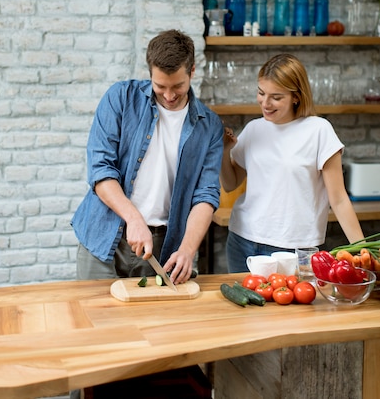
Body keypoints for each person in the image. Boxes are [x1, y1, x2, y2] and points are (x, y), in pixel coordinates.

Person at [71, 29, 223, 285]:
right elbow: (100, 170)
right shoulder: (120, 98)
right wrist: (133, 218)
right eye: (160, 86)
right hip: (105, 235)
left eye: (178, 86)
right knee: (95, 320)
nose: (169, 95)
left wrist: (187, 250)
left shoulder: (209, 126)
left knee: (152, 324)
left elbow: (206, 195)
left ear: (192, 71)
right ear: (150, 73)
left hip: (164, 247)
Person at [220, 52, 364, 273]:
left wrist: (364, 251)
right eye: (261, 93)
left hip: (294, 249)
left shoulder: (318, 130)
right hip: (242, 240)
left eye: (276, 97)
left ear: (296, 96)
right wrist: (223, 151)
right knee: (243, 307)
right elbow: (230, 184)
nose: (265, 103)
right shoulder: (254, 129)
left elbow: (339, 200)